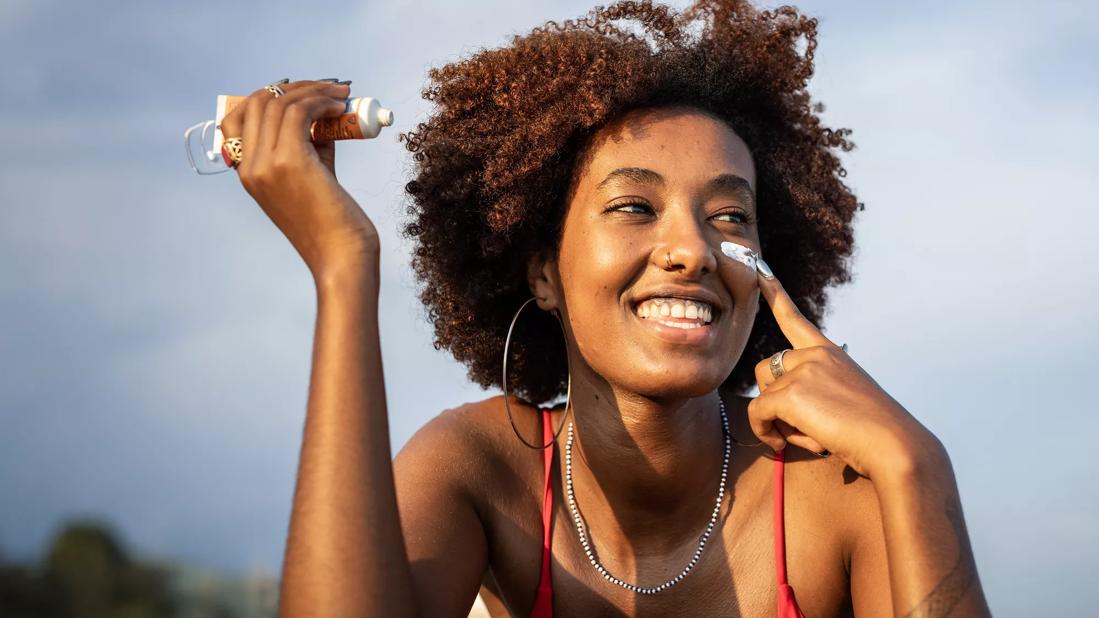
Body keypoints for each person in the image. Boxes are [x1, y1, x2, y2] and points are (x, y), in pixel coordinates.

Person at [216, 0, 991, 615]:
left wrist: (915, 462)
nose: (691, 250)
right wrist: (345, 270)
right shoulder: (480, 471)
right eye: (632, 207)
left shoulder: (837, 491)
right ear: (542, 272)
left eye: (730, 218)